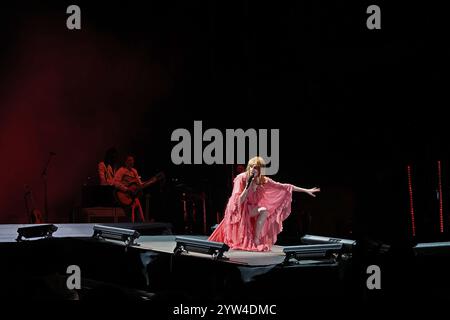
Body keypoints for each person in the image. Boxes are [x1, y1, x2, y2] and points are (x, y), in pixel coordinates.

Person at [208, 156, 320, 252]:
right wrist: (248, 185)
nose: (253, 169)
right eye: (251, 167)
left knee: (264, 210)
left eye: (256, 167)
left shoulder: (263, 180)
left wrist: (306, 190)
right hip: (237, 209)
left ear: (260, 169)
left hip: (249, 208)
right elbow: (239, 201)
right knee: (239, 238)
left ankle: (256, 240)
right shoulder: (241, 178)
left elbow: (284, 186)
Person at [113, 155, 145, 222]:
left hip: (134, 196)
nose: (131, 162)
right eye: (129, 160)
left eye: (132, 160)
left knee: (140, 216)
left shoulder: (134, 171)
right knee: (130, 216)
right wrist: (127, 189)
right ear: (125, 162)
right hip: (125, 196)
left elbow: (140, 184)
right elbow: (116, 183)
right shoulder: (121, 170)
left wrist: (151, 181)